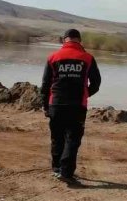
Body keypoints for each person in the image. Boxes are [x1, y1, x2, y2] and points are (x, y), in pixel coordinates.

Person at [40, 29, 101, 181]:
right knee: (73, 139)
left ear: (64, 40)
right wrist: (86, 94)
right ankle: (66, 172)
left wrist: (45, 106)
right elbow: (96, 83)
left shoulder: (53, 57)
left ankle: (57, 168)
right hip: (77, 105)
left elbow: (45, 84)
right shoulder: (87, 58)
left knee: (57, 137)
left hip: (56, 104)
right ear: (79, 40)